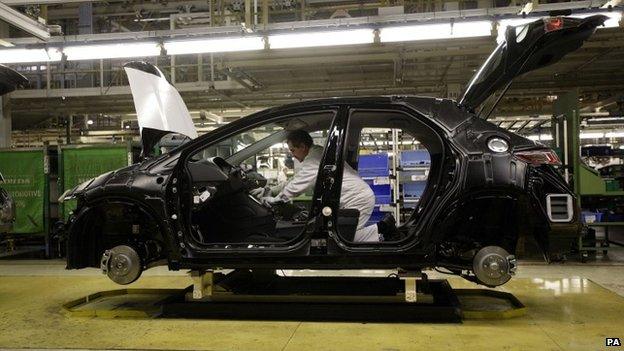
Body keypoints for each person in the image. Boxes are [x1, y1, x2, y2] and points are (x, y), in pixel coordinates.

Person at [252, 129, 397, 242]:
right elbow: (294, 181)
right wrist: (269, 190)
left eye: (292, 150)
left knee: (344, 237)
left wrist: (277, 199)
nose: (292, 155)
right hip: (355, 197)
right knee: (343, 234)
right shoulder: (315, 155)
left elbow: (296, 186)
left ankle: (382, 230)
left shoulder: (314, 158)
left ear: (302, 146)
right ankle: (383, 228)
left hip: (358, 198)